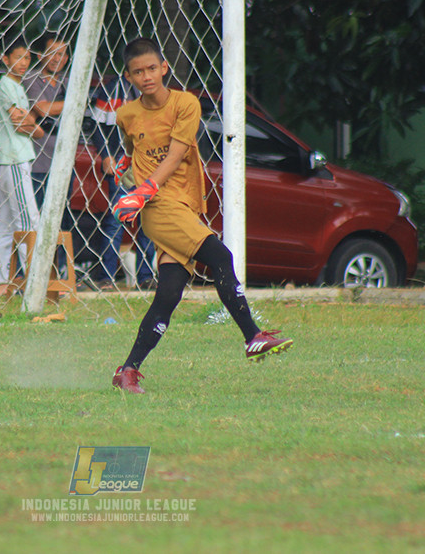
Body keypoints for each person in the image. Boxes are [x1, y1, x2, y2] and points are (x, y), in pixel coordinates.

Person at [109, 38, 292, 394]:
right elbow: (134, 154)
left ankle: (127, 370)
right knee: (220, 255)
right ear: (129, 77)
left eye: (151, 68)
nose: (146, 76)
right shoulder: (126, 115)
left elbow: (177, 153)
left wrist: (140, 184)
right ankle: (252, 336)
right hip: (159, 209)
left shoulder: (186, 103)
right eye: (138, 72)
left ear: (164, 68)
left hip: (184, 204)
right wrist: (129, 177)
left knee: (169, 293)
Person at [88, 75, 156, 290]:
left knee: (149, 220)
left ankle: (145, 277)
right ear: (128, 71)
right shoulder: (113, 89)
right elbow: (97, 125)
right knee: (115, 219)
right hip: (121, 161)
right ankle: (106, 277)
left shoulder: (156, 92)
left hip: (150, 163)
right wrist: (106, 155)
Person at [0, 34, 45, 295]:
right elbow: (20, 122)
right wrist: (38, 130)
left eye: (27, 57)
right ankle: (35, 281)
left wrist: (31, 124)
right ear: (5, 59)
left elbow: (25, 120)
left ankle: (0, 282)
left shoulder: (18, 86)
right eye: (18, 57)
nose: (23, 62)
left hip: (9, 159)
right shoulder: (5, 85)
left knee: (6, 224)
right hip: (14, 158)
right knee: (28, 220)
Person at [23, 32, 74, 274]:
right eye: (52, 52)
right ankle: (33, 273)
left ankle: (59, 272)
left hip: (64, 162)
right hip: (37, 164)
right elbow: (41, 109)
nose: (57, 58)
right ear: (40, 55)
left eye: (62, 53)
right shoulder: (31, 78)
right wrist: (77, 100)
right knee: (37, 219)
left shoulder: (68, 82)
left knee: (63, 220)